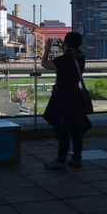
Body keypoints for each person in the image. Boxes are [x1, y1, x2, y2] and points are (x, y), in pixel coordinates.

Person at [41, 32, 91, 170]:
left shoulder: (63, 60)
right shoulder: (81, 58)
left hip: (63, 97)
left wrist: (47, 48)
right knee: (76, 130)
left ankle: (61, 159)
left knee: (63, 129)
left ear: (67, 43)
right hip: (76, 96)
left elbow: (45, 64)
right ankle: (76, 159)